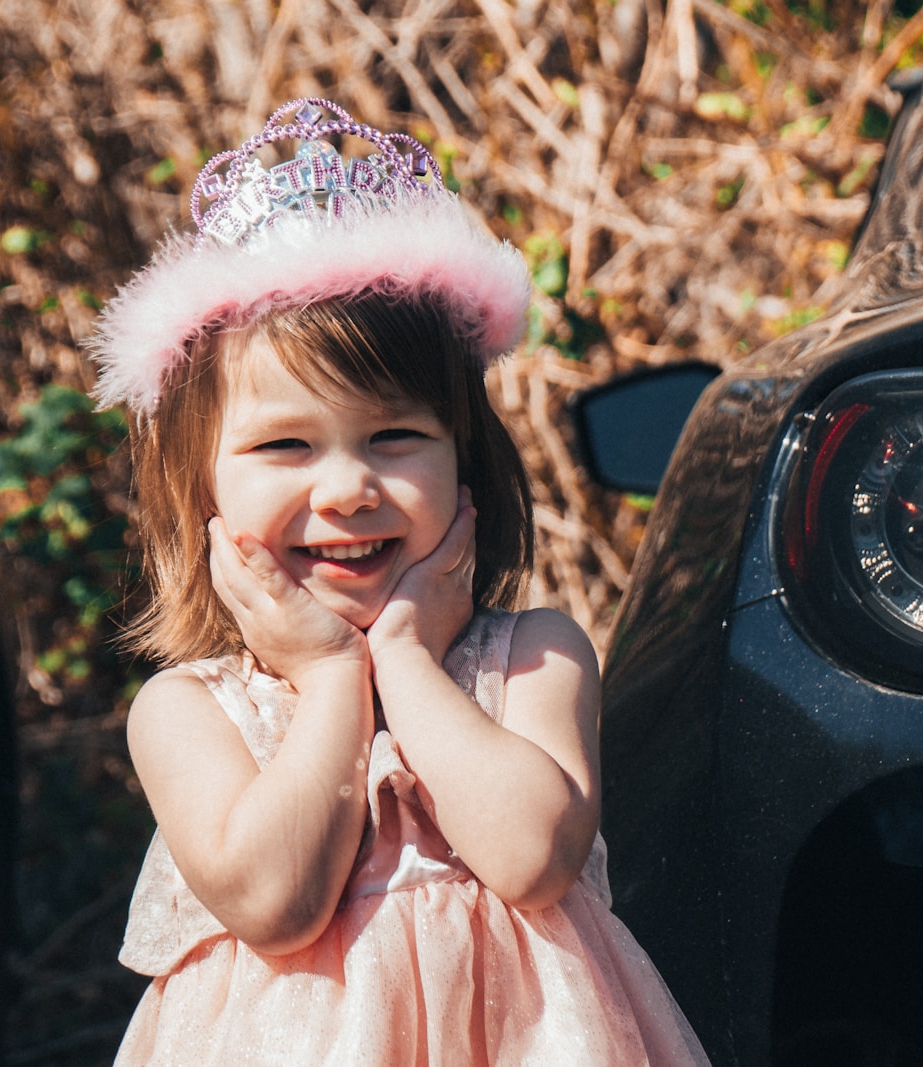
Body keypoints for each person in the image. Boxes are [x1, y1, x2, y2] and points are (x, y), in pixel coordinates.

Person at [89, 98, 709, 1065]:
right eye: (285, 445)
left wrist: (407, 658)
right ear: (197, 486)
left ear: (467, 462)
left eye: (395, 437)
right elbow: (274, 902)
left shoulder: (535, 657)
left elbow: (532, 859)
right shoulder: (186, 711)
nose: (346, 488)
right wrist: (335, 677)